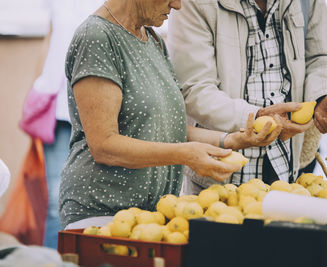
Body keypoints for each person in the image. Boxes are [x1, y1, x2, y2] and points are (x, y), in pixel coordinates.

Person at [59, 0, 295, 230]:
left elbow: (167, 126)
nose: (178, 5)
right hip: (103, 214)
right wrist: (185, 155)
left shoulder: (152, 39)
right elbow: (104, 145)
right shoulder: (97, 37)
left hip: (155, 217)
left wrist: (230, 140)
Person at [167, 0, 327, 194]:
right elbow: (195, 88)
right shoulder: (192, 3)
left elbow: (322, 57)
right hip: (219, 175)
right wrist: (258, 117)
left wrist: (321, 95)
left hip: (286, 166)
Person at [19, 0, 103, 248]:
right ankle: (52, 261)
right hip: (59, 112)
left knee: (96, 202)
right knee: (57, 201)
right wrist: (38, 89)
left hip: (100, 112)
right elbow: (50, 38)